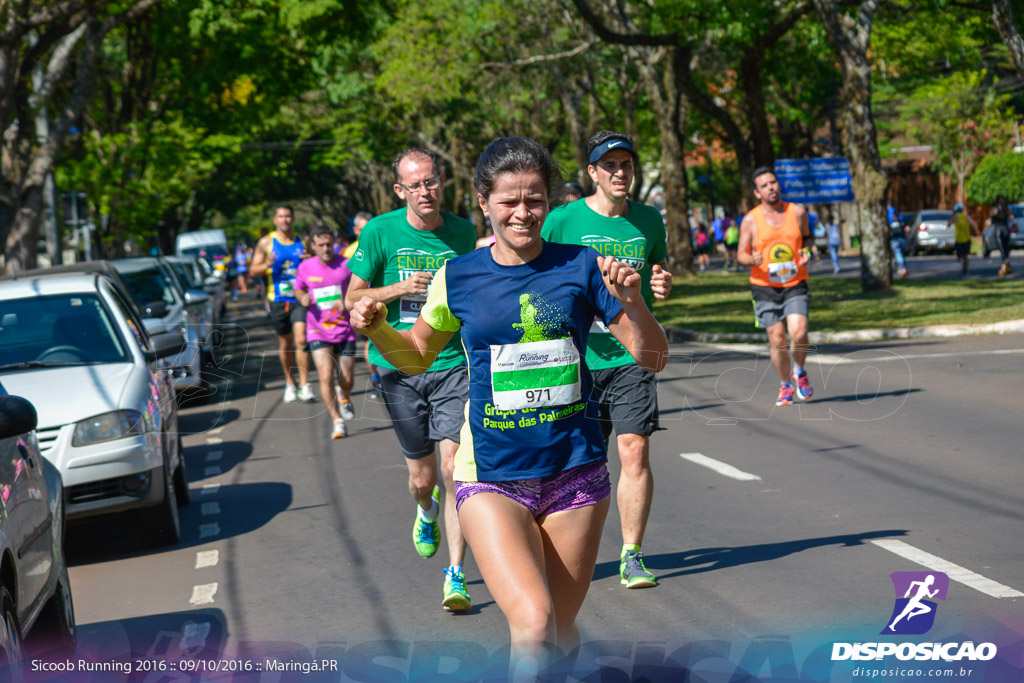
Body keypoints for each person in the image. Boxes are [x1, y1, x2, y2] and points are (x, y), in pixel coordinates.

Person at [350, 137, 668, 677]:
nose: (523, 213)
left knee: (561, 636)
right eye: (509, 201)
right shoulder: (460, 275)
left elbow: (653, 356)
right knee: (535, 623)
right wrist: (380, 328)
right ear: (483, 202)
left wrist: (634, 302)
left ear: (549, 201)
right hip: (491, 474)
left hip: (576, 474)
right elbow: (417, 357)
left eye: (536, 200)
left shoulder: (583, 265)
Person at [344, 148, 476, 612]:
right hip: (398, 366)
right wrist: (400, 288)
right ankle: (425, 511)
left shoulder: (463, 232)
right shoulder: (380, 232)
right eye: (415, 184)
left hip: (452, 364)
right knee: (423, 480)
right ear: (400, 190)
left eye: (432, 181)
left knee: (454, 469)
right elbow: (351, 298)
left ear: (442, 181)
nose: (426, 190)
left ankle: (456, 572)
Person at [541, 130, 672, 590]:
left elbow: (657, 267)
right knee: (576, 459)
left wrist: (661, 284)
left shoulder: (649, 220)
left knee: (634, 449)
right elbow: (537, 269)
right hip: (575, 358)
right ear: (593, 173)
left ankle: (632, 554)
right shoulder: (561, 221)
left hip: (632, 353)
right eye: (610, 166)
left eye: (627, 165)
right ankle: (561, 544)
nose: (620, 173)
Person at [737, 167, 814, 406]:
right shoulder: (751, 220)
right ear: (757, 193)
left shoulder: (797, 212)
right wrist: (752, 259)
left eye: (773, 182)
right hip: (764, 285)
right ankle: (785, 384)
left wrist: (807, 251)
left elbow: (808, 237)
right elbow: (741, 254)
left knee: (799, 331)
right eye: (765, 185)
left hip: (794, 282)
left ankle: (799, 370)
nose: (771, 187)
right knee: (777, 338)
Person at [295, 224, 358, 439]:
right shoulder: (305, 267)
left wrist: (347, 300)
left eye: (329, 244)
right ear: (313, 246)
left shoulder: (347, 265)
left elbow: (358, 289)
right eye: (321, 245)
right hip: (318, 329)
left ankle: (345, 396)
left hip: (345, 329)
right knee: (325, 375)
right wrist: (301, 297)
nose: (326, 248)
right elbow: (298, 287)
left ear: (336, 244)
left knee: (347, 378)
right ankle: (337, 420)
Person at [250, 204, 314, 403]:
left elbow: (316, 262)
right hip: (278, 299)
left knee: (301, 340)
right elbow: (253, 270)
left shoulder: (302, 241)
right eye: (281, 216)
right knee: (286, 343)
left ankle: (304, 384)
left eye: (288, 216)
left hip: (299, 298)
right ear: (275, 220)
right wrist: (267, 264)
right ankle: (290, 383)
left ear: (293, 219)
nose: (285, 220)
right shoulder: (267, 242)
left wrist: (309, 258)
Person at [346, 211, 382, 398]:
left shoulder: (382, 241)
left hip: (382, 302)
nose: (366, 232)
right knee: (370, 342)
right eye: (362, 229)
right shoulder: (349, 251)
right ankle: (375, 376)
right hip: (359, 304)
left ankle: (381, 375)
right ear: (355, 230)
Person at [949, 203, 975, 276]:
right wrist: (976, 232)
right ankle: (965, 270)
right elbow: (973, 225)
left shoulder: (955, 217)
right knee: (966, 256)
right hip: (967, 239)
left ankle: (962, 263)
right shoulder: (967, 217)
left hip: (959, 240)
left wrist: (952, 216)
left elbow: (948, 224)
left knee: (960, 256)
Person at [990, 195, 1013, 277]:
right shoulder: (1006, 209)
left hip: (998, 232)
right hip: (1006, 230)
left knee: (1003, 251)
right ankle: (1007, 267)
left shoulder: (995, 209)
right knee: (1006, 250)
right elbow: (1012, 219)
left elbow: (990, 221)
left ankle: (1003, 269)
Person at [889, 210, 908, 279]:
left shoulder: (891, 224)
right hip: (903, 240)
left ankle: (903, 269)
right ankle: (901, 269)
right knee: (901, 255)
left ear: (893, 216)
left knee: (898, 254)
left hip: (894, 240)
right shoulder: (902, 222)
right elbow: (907, 229)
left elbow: (890, 233)